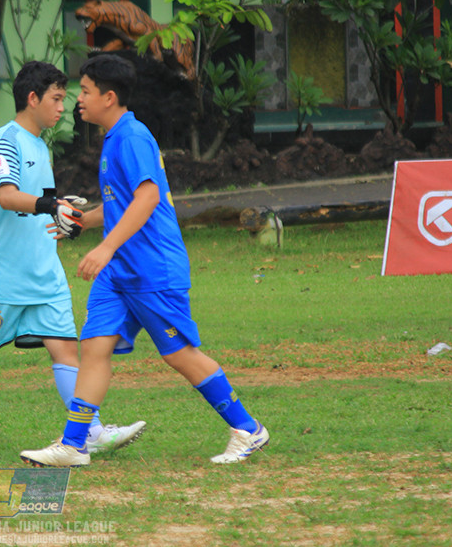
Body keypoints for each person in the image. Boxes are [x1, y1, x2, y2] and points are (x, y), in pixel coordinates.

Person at [19, 54, 269, 468]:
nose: (77, 100)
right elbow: (122, 205)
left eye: (84, 91)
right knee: (95, 347)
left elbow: (148, 197)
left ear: (109, 97)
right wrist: (81, 221)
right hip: (120, 274)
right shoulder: (114, 137)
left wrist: (104, 248)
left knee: (179, 355)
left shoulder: (132, 137)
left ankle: (247, 428)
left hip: (153, 270)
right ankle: (74, 443)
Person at [0, 60, 146, 458]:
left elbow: (39, 209)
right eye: (57, 99)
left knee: (65, 348)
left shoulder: (40, 145)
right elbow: (6, 196)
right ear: (32, 98)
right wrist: (49, 203)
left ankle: (88, 430)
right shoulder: (5, 140)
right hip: (2, 275)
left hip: (43, 273)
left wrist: (61, 214)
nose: (63, 108)